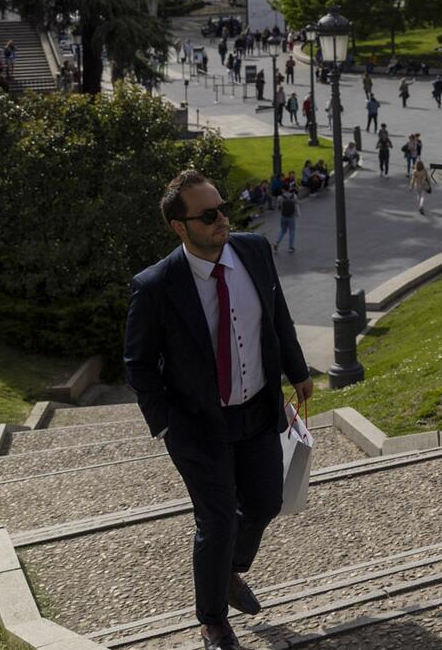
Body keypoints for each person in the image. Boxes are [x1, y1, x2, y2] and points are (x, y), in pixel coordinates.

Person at [124, 170, 314, 650]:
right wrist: (165, 422)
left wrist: (298, 371)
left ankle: (229, 572)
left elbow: (277, 316)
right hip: (196, 426)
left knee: (266, 502)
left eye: (222, 208)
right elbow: (138, 363)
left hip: (256, 410)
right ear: (179, 227)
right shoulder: (156, 286)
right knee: (217, 521)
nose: (222, 219)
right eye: (208, 215)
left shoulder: (253, 251)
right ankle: (213, 622)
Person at [275, 184, 299, 253]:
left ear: (283, 189)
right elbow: (296, 205)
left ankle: (277, 243)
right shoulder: (294, 196)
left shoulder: (280, 197)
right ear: (289, 188)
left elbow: (278, 208)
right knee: (292, 231)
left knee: (282, 230)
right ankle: (290, 247)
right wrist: (296, 214)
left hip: (283, 216)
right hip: (291, 216)